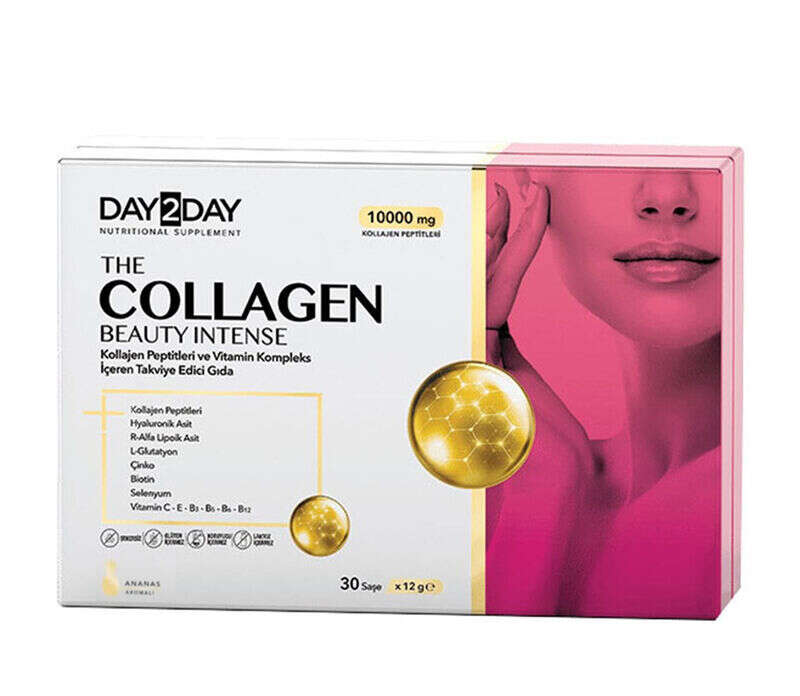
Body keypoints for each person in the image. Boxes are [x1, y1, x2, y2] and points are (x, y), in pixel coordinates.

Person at [485, 167, 722, 618]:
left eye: (713, 150)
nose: (668, 196)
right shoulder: (495, 486)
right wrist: (537, 505)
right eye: (617, 147)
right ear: (527, 175)